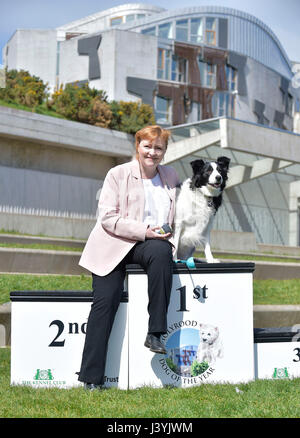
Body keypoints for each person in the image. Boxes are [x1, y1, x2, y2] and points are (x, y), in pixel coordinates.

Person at [77, 125, 180, 391]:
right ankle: (91, 378)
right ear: (138, 147)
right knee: (105, 303)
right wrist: (144, 231)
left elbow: (177, 219)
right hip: (113, 244)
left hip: (150, 245)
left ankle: (156, 332)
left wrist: (171, 240)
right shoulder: (118, 173)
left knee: (161, 252)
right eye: (148, 146)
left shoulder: (170, 176)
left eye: (158, 148)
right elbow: (108, 218)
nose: (152, 153)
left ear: (164, 152)